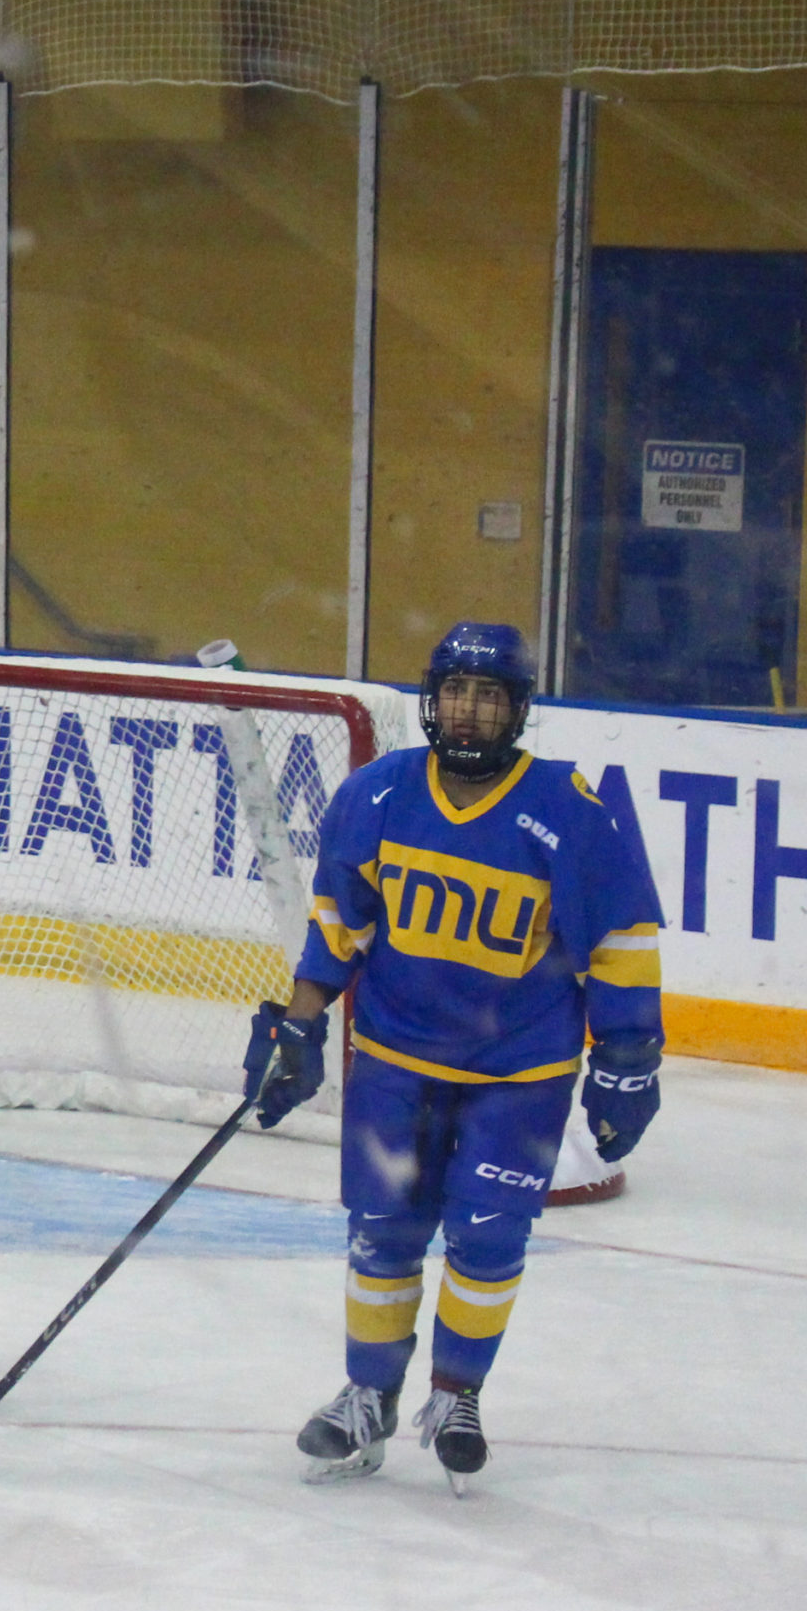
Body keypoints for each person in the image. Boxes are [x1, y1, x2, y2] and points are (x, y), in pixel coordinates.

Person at [267, 621, 664, 1491]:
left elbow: (622, 942)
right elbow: (338, 924)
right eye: (456, 692)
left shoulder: (568, 809)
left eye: (489, 696)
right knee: (382, 1235)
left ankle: (456, 1394)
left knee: (488, 1234)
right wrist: (298, 1025)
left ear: (517, 709)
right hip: (394, 1060)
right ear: (432, 700)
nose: (470, 711)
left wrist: (628, 1055)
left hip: (518, 1073)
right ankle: (368, 1395)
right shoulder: (377, 795)